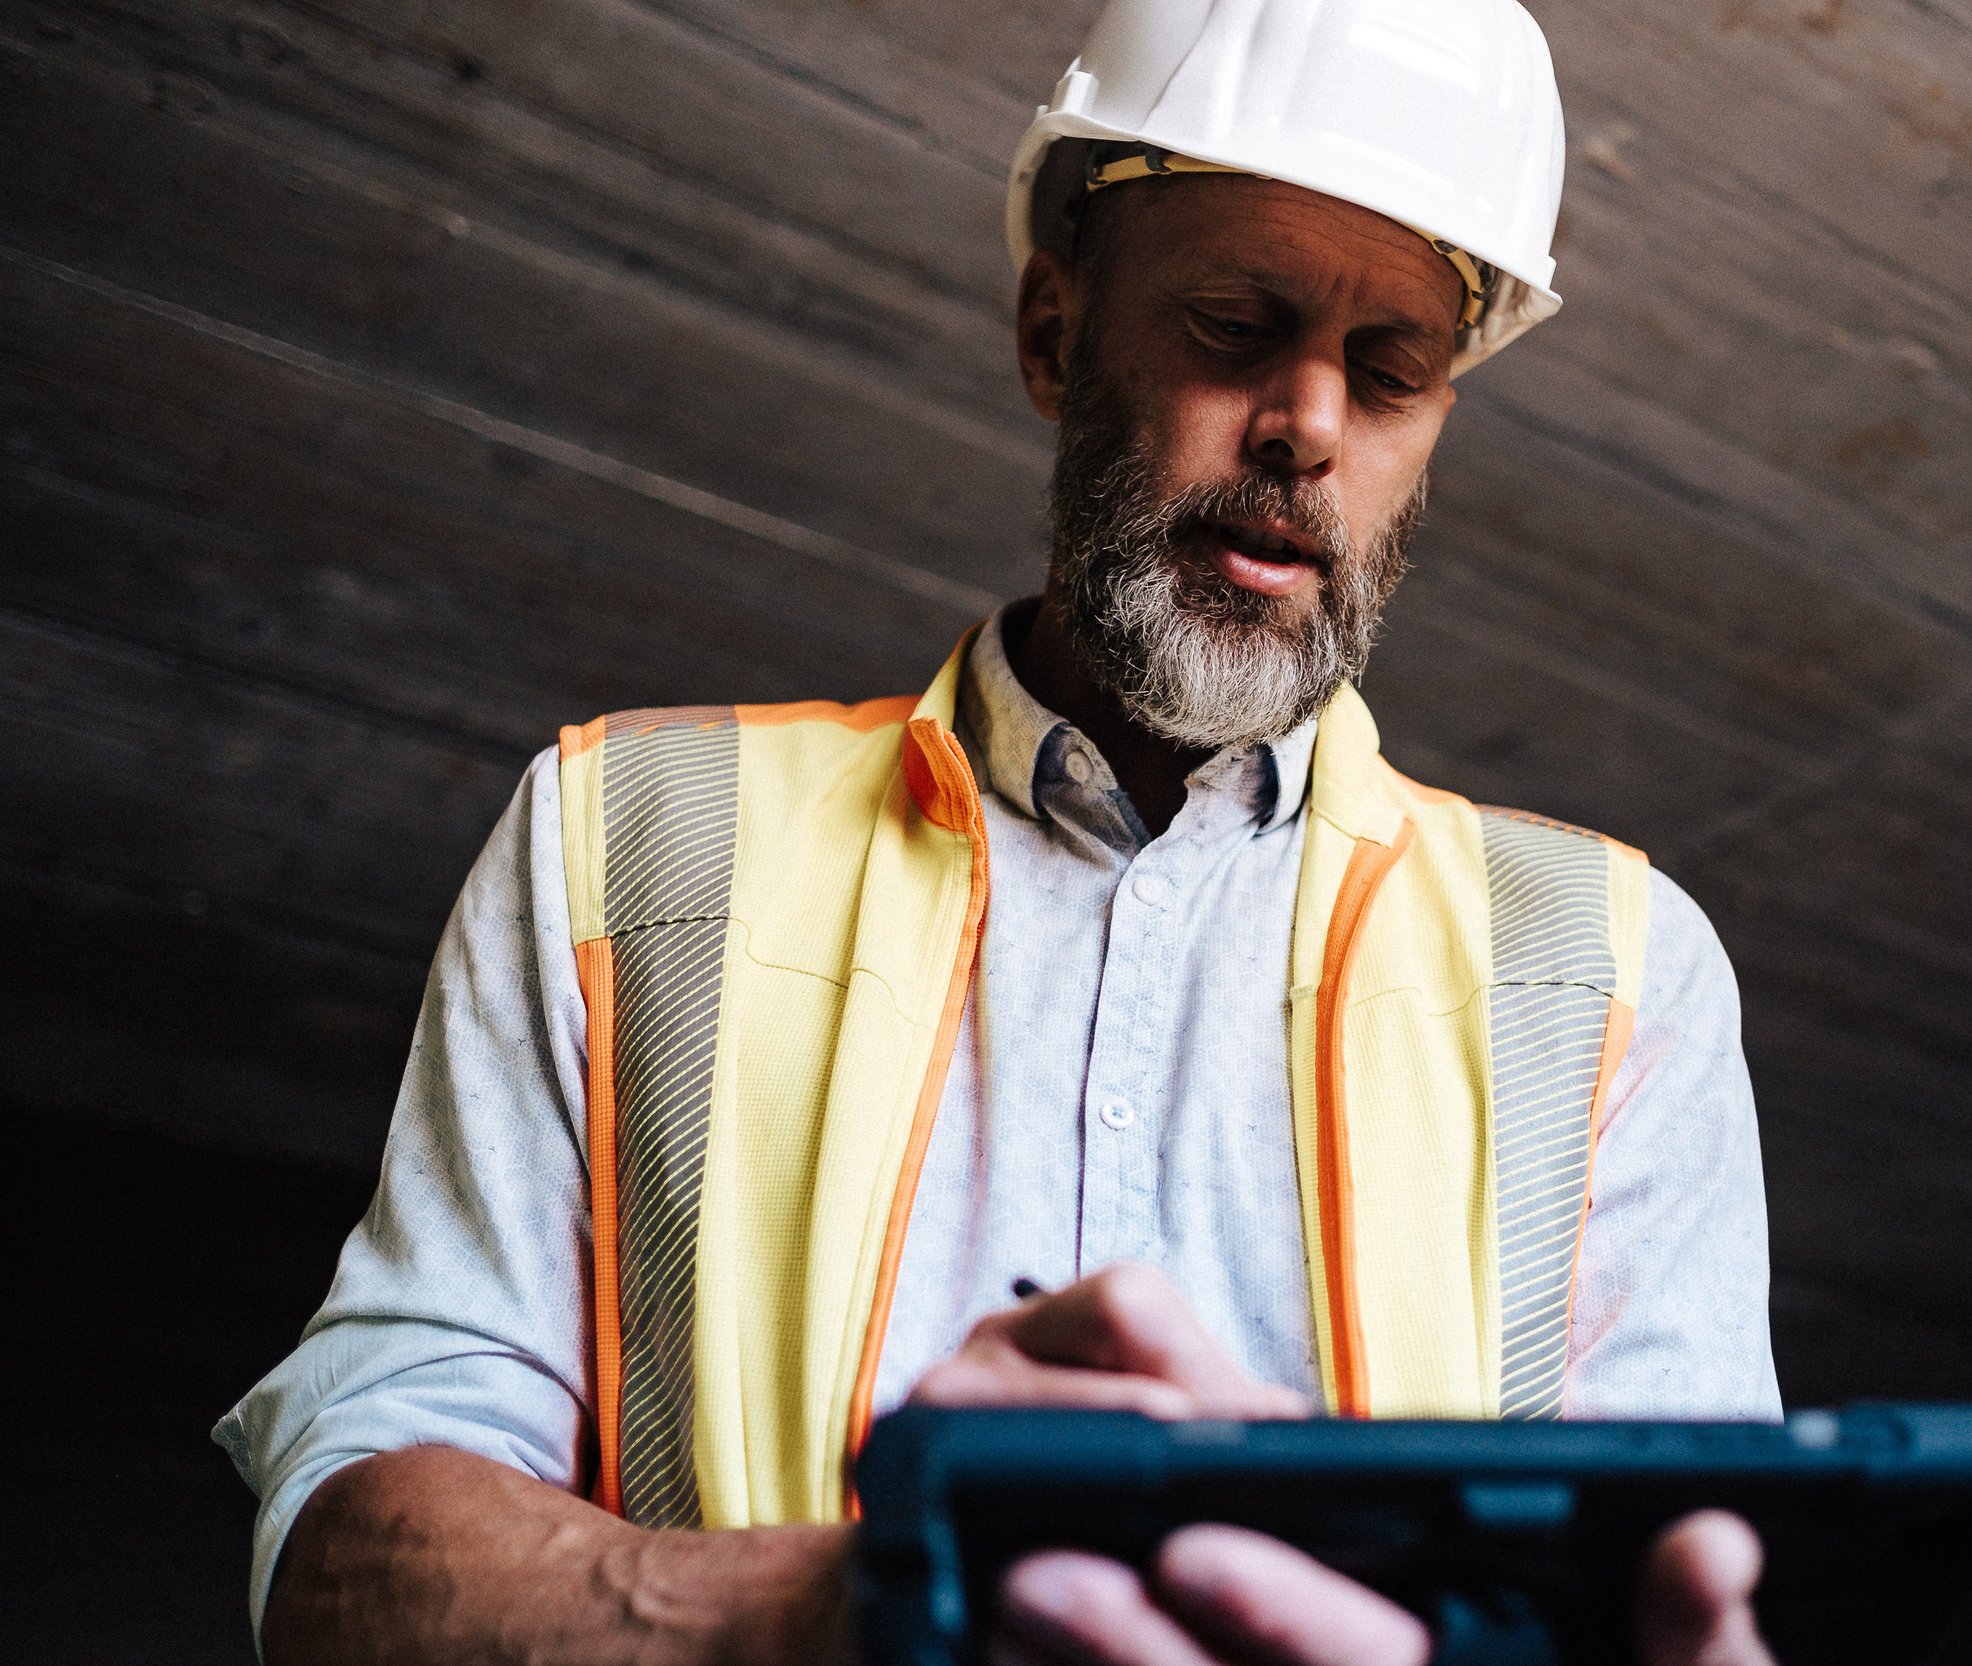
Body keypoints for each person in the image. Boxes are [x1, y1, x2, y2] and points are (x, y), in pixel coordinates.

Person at [216, 2, 1782, 1661]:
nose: (1311, 426)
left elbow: (1688, 1592)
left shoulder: (1614, 976)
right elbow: (343, 1557)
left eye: (1390, 371)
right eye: (1236, 322)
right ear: (1054, 333)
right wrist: (850, 1610)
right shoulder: (630, 845)